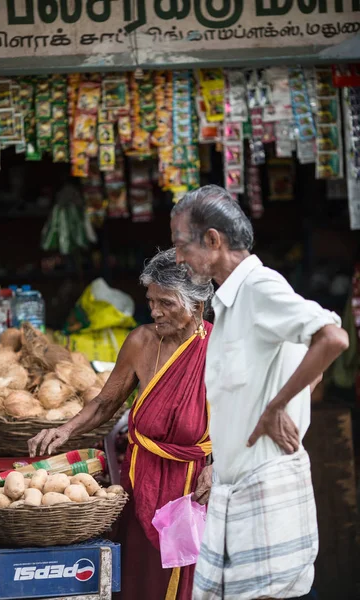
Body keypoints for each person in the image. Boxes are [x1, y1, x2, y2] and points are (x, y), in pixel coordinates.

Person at [170, 185, 349, 600]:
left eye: (181, 245)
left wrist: (279, 404)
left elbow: (332, 337)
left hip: (266, 487)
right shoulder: (232, 299)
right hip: (237, 491)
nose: (178, 258)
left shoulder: (259, 288)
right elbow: (307, 350)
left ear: (213, 241)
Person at [28, 248, 214, 600]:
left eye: (167, 303)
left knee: (182, 581)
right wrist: (65, 429)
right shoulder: (141, 342)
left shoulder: (219, 347)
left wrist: (218, 466)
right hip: (139, 480)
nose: (155, 311)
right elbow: (104, 403)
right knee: (135, 577)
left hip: (192, 487)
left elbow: (242, 419)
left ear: (197, 306)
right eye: (151, 300)